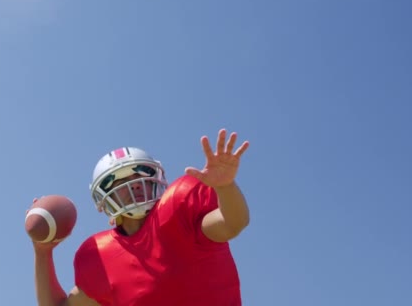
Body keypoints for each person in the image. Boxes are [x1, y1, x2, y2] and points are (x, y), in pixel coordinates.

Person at [30, 128, 250, 306]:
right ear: (104, 199)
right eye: (120, 181)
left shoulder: (179, 207)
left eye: (140, 174)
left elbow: (232, 223)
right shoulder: (99, 256)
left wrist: (226, 187)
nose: (134, 183)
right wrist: (42, 252)